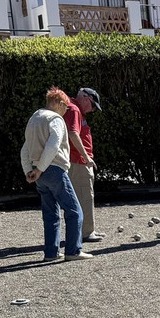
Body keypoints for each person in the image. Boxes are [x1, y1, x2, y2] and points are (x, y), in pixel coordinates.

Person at [20, 87, 92, 263]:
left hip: (38, 172)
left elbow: (25, 148)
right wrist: (41, 169)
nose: (66, 110)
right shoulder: (55, 119)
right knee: (74, 211)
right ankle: (73, 251)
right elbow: (53, 145)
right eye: (65, 106)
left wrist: (30, 170)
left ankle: (51, 253)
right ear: (59, 103)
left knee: (50, 213)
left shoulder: (34, 118)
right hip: (54, 169)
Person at [70, 87, 103, 243]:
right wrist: (86, 156)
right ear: (85, 98)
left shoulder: (75, 109)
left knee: (84, 196)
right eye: (93, 105)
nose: (93, 110)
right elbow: (73, 134)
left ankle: (89, 229)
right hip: (78, 162)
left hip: (79, 160)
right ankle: (86, 232)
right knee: (85, 196)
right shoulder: (74, 109)